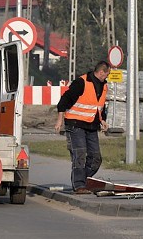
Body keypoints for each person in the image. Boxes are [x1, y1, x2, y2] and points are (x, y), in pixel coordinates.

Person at [54, 60, 111, 194]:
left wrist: (102, 120)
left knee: (96, 158)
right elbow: (64, 101)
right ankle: (79, 185)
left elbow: (99, 107)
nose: (107, 77)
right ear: (101, 72)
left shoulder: (104, 86)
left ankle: (83, 180)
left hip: (91, 125)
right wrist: (59, 120)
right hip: (75, 124)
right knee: (80, 155)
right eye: (106, 74)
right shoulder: (81, 82)